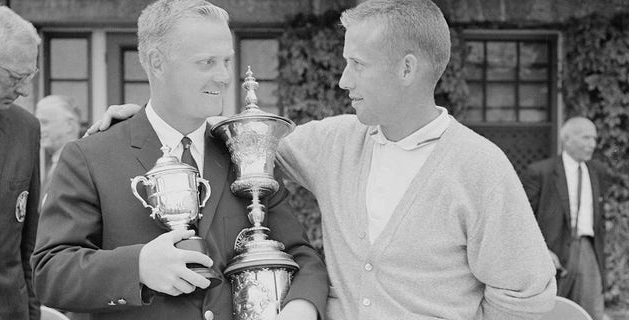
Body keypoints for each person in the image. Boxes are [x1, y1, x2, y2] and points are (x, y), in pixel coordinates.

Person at [92, 0, 557, 318]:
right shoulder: (335, 142)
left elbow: (526, 297)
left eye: (357, 64)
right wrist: (154, 120)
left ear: (407, 69)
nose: (341, 80)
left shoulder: (480, 167)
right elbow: (248, 143)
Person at [30, 1, 328, 320]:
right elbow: (50, 273)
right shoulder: (91, 156)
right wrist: (139, 267)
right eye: (206, 62)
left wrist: (302, 307)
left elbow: (302, 256)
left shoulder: (245, 150)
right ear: (157, 63)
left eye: (226, 61)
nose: (225, 76)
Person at [521, 117, 610, 320]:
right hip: (552, 251)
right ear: (567, 139)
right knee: (553, 311)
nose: (592, 144)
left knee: (591, 311)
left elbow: (600, 217)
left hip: (588, 249)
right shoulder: (541, 172)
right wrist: (542, 250)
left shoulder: (598, 171)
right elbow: (523, 219)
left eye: (594, 138)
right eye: (586, 137)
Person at [0, 5, 41, 320]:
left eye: (30, 76)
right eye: (15, 77)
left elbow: (27, 247)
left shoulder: (26, 128)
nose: (23, 90)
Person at [35, 95, 81, 205]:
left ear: (69, 125)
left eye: (45, 122)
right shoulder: (53, 163)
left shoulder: (78, 165)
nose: (39, 128)